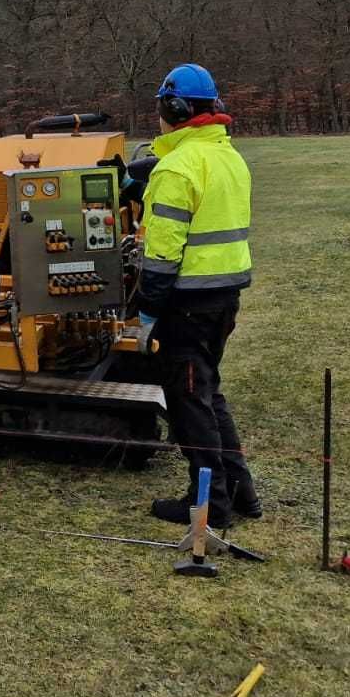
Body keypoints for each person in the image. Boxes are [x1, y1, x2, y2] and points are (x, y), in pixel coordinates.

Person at [134, 63, 260, 529]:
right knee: (208, 393)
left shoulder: (178, 168)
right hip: (224, 298)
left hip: (185, 305)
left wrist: (147, 313)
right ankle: (243, 492)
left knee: (189, 405)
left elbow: (162, 258)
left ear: (174, 107)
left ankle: (210, 507)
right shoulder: (229, 157)